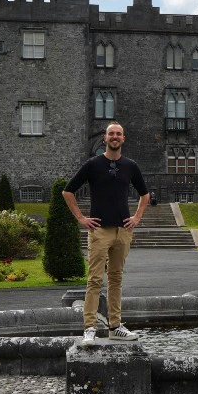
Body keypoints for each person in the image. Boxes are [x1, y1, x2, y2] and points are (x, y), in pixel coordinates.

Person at [62, 121, 149, 346]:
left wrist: (137, 217)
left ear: (123, 139)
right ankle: (89, 328)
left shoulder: (130, 166)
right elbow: (68, 191)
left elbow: (145, 194)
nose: (115, 137)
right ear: (105, 138)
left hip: (123, 231)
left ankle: (115, 326)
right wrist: (81, 218)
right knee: (94, 280)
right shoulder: (93, 164)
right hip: (99, 231)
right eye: (111, 133)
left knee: (116, 279)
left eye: (118, 134)